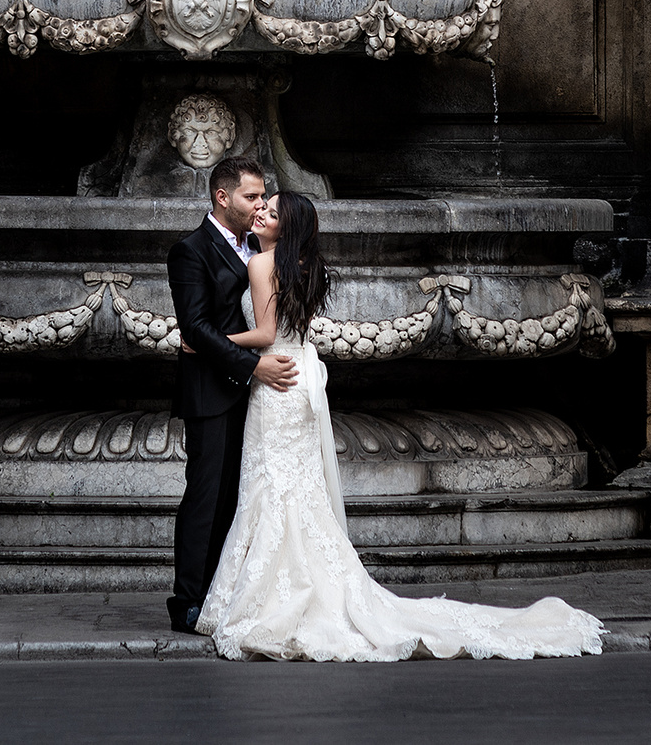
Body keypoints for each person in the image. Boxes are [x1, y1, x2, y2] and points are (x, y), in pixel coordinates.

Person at [195, 190, 605, 661]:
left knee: (271, 487)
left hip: (275, 381)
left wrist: (208, 340)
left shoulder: (262, 266)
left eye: (269, 210)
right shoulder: (307, 266)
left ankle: (270, 595)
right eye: (260, 205)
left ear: (284, 227)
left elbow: (266, 335)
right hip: (299, 379)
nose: (259, 212)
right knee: (295, 489)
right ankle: (310, 584)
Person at [165, 157, 298, 635]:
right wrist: (254, 364)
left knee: (239, 500)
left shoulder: (261, 248)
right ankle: (188, 603)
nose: (260, 204)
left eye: (264, 197)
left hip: (256, 396)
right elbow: (195, 327)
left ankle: (227, 594)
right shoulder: (190, 251)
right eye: (251, 197)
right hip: (211, 392)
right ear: (223, 198)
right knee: (206, 497)